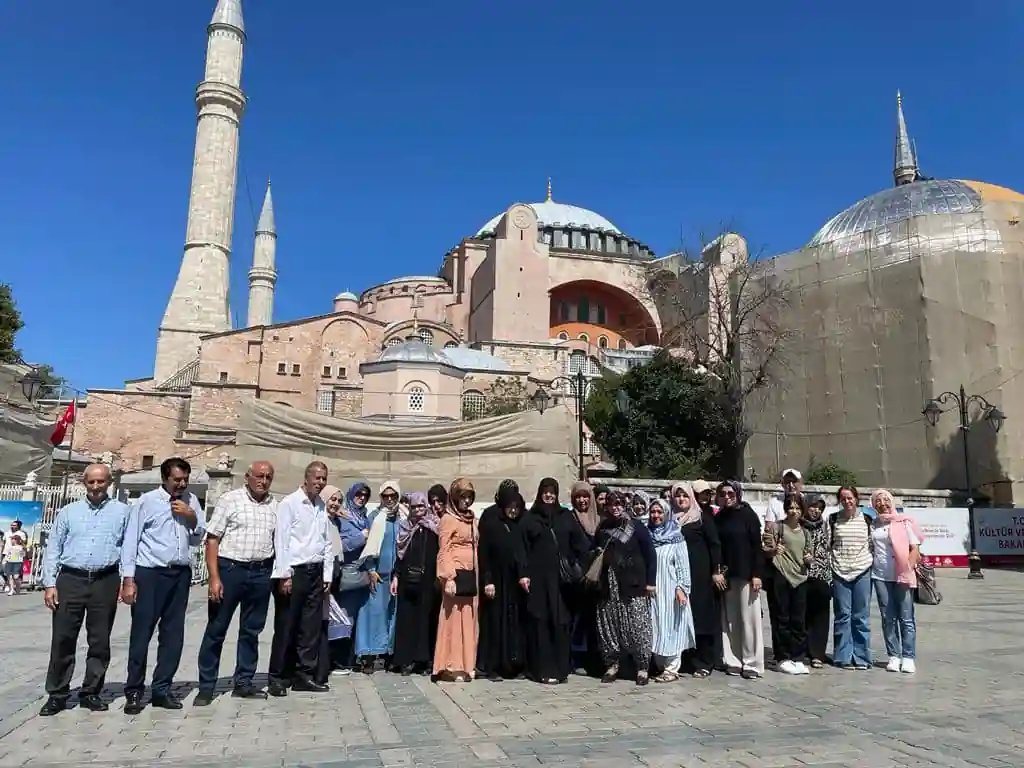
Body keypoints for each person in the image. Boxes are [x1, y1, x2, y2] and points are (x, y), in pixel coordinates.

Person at [38, 464, 130, 716]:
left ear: (109, 482)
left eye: (101, 482)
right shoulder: (68, 512)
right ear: (84, 483)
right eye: (92, 482)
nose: (96, 487)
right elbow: (53, 549)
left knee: (99, 639)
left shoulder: (122, 512)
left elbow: (127, 549)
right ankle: (57, 693)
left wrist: (126, 581)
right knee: (63, 638)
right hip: (71, 580)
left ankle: (91, 691)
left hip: (105, 580)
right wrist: (49, 584)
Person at [121, 457, 205, 714]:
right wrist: (128, 579)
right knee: (142, 633)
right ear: (164, 478)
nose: (181, 484)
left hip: (179, 575)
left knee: (173, 635)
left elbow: (199, 537)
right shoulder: (147, 502)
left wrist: (190, 517)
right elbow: (130, 540)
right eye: (176, 479)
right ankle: (134, 690)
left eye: (185, 480)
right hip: (150, 574)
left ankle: (162, 689)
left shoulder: (192, 502)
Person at [194, 461, 278, 706]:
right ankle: (207, 686)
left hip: (261, 572)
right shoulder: (230, 500)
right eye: (259, 476)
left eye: (268, 477)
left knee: (252, 631)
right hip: (230, 570)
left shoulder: (275, 506)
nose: (263, 481)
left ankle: (244, 682)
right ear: (248, 477)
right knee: (216, 629)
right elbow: (212, 539)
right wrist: (214, 578)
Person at [268, 461, 333, 697]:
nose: (320, 483)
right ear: (306, 478)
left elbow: (325, 541)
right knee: (286, 626)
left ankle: (303, 674)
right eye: (317, 478)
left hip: (315, 571)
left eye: (324, 478)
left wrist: (326, 573)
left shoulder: (321, 506)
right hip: (294, 572)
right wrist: (284, 574)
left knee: (310, 628)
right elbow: (282, 541)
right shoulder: (290, 504)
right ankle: (278, 676)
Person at [517, 478, 589, 684]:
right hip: (538, 581)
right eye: (545, 492)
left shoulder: (565, 517)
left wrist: (579, 567)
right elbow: (520, 549)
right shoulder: (529, 519)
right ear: (540, 493)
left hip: (561, 583)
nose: (549, 496)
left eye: (552, 492)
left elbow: (580, 544)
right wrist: (523, 573)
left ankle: (560, 669)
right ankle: (542, 670)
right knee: (540, 622)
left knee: (561, 622)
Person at [594, 491, 657, 686]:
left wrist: (650, 582)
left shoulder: (636, 527)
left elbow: (650, 555)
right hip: (608, 585)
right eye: (612, 504)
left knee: (637, 625)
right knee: (608, 626)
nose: (616, 508)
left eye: (620, 504)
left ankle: (642, 668)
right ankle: (612, 665)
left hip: (632, 584)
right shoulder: (603, 528)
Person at [476, 480, 528, 680]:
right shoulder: (491, 519)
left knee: (514, 624)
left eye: (516, 506)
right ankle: (491, 667)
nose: (513, 510)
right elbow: (484, 553)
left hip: (516, 583)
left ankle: (513, 665)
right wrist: (487, 580)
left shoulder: (522, 521)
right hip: (496, 581)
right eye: (510, 505)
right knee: (495, 623)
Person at [671, 481, 723, 678]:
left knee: (701, 617)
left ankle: (704, 661)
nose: (681, 499)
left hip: (700, 575)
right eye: (678, 496)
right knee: (682, 618)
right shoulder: (670, 520)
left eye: (685, 495)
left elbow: (715, 545)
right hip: (677, 576)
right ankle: (685, 661)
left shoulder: (701, 518)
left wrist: (716, 570)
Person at [714, 480, 765, 680]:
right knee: (731, 620)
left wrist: (757, 574)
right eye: (723, 494)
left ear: (737, 494)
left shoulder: (748, 515)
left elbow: (756, 547)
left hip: (746, 575)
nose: (727, 497)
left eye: (730, 494)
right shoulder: (719, 518)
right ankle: (734, 660)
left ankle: (752, 662)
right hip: (727, 575)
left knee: (749, 620)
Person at [870, 489, 923, 674]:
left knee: (906, 617)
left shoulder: (903, 522)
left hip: (902, 574)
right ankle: (893, 655)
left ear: (892, 502)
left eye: (886, 500)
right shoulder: (874, 524)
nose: (882, 503)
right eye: (878, 500)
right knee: (888, 617)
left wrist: (906, 570)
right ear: (873, 505)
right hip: (880, 576)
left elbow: (914, 550)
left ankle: (908, 657)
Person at [353, 480, 404, 673]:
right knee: (371, 614)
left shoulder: (402, 517)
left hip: (394, 576)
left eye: (393, 496)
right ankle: (367, 655)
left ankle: (386, 653)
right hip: (376, 574)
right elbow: (368, 547)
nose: (390, 500)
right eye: (386, 496)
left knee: (391, 615)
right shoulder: (375, 517)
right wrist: (371, 569)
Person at [390, 491, 442, 674]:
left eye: (421, 506)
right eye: (414, 506)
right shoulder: (405, 527)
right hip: (407, 580)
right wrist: (395, 576)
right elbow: (400, 554)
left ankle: (424, 660)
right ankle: (405, 660)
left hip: (428, 581)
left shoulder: (434, 526)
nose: (418, 510)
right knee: (407, 620)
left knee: (425, 620)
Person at [433, 478, 479, 682]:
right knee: (453, 620)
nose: (466, 501)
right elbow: (443, 550)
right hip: (455, 574)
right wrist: (448, 576)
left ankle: (467, 663)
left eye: (469, 497)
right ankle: (450, 665)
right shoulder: (448, 519)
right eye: (462, 497)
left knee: (469, 619)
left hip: (471, 575)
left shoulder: (471, 518)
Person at [647, 497, 695, 682]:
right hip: (653, 590)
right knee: (656, 626)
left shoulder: (676, 537)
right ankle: (659, 665)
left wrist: (682, 588)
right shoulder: (648, 535)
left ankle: (672, 669)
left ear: (667, 514)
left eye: (660, 512)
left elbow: (683, 566)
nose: (656, 516)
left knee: (673, 626)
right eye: (653, 512)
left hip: (671, 590)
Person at [766, 493, 812, 675]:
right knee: (781, 618)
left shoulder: (805, 532)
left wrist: (809, 559)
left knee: (798, 619)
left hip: (800, 577)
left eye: (797, 508)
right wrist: (774, 550)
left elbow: (809, 553)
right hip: (781, 575)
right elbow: (766, 549)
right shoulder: (778, 528)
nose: (794, 511)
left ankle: (798, 657)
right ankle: (782, 657)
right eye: (791, 507)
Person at [330, 482, 373, 675]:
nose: (361, 497)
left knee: (355, 618)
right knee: (342, 617)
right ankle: (337, 660)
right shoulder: (342, 516)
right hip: (346, 573)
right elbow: (338, 545)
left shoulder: (363, 517)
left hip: (360, 574)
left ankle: (349, 658)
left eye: (365, 495)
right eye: (358, 494)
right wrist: (361, 538)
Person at [830, 486, 874, 670]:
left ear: (856, 499)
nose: (847, 501)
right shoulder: (833, 519)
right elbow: (827, 543)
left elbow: (875, 542)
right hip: (840, 570)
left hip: (862, 569)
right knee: (842, 615)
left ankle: (862, 656)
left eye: (850, 498)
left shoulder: (867, 518)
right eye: (843, 498)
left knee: (860, 616)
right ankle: (843, 656)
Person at [763, 468, 803, 662]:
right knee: (780, 613)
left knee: (798, 614)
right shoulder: (774, 502)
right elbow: (769, 530)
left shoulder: (804, 501)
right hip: (779, 565)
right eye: (787, 482)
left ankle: (799, 653)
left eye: (793, 481)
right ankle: (782, 654)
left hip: (799, 566)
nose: (790, 485)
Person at [565, 481, 602, 676]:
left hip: (597, 579)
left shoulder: (600, 519)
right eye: (578, 496)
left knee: (595, 619)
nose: (582, 500)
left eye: (585, 496)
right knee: (578, 620)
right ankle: (577, 658)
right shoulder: (569, 519)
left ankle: (594, 658)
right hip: (578, 579)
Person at [801, 495, 832, 669]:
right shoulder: (797, 525)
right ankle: (803, 650)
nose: (816, 511)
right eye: (813, 507)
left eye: (819, 508)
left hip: (822, 576)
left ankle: (817, 653)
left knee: (820, 617)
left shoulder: (827, 526)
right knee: (802, 614)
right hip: (802, 576)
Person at [3, 521, 28, 595]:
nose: (12, 526)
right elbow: (5, 546)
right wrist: (5, 558)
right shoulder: (7, 534)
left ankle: (18, 586)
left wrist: (23, 559)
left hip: (17, 562)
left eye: (14, 525)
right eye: (11, 525)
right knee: (9, 575)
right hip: (9, 560)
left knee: (16, 576)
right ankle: (11, 589)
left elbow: (23, 551)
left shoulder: (21, 535)